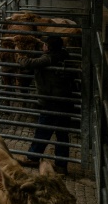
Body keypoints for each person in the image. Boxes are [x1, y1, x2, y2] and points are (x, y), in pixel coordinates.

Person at [16, 35, 75, 174]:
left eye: (44, 44)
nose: (43, 46)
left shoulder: (49, 58)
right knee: (62, 134)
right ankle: (61, 165)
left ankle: (33, 157)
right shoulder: (64, 55)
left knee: (43, 130)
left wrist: (18, 56)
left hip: (52, 101)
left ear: (48, 47)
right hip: (65, 100)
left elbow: (28, 64)